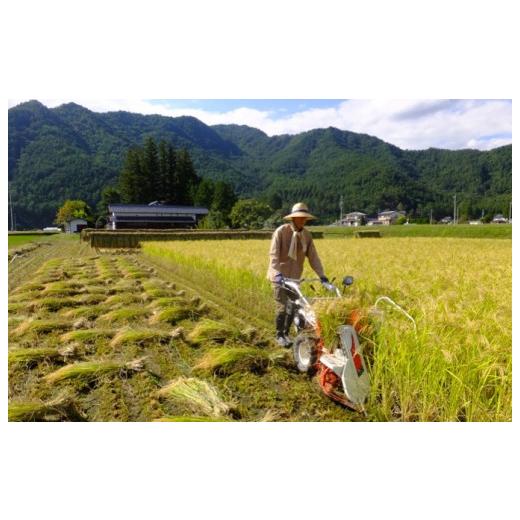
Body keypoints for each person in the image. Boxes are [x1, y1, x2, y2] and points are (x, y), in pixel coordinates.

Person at [266, 202, 329, 348]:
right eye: (299, 217)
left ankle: (287, 333)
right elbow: (273, 256)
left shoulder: (306, 235)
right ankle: (279, 335)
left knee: (296, 306)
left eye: (304, 218)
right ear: (293, 218)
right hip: (279, 277)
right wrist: (276, 274)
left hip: (294, 278)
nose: (302, 220)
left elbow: (313, 257)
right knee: (281, 307)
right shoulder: (281, 232)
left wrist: (322, 275)